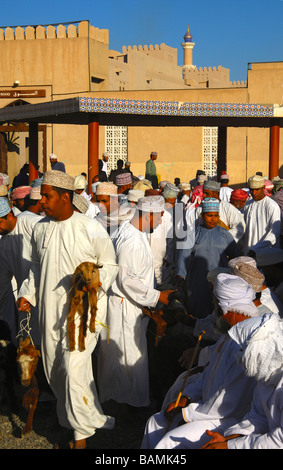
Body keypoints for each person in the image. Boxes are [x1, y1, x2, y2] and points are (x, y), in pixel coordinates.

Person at [17, 169, 119, 450]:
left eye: (47, 197)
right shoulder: (39, 228)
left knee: (74, 370)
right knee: (57, 372)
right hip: (49, 313)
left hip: (84, 314)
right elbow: (36, 269)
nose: (43, 202)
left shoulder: (91, 228)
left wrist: (95, 281)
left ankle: (80, 438)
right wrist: (27, 293)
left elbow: (110, 265)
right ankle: (85, 418)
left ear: (65, 197)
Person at [141, 272, 261, 449]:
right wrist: (187, 397)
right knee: (155, 422)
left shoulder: (244, 345)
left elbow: (225, 405)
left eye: (215, 304)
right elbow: (209, 374)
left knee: (169, 442)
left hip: (226, 419)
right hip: (206, 410)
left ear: (223, 308)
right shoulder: (231, 334)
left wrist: (187, 414)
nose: (213, 310)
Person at [97, 196, 176, 412]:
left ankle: (120, 398)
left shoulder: (133, 232)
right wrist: (156, 297)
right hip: (125, 305)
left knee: (120, 353)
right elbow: (126, 280)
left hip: (130, 303)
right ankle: (126, 403)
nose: (160, 222)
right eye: (159, 217)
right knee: (127, 354)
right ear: (148, 215)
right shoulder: (131, 240)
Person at [201, 312, 283, 449]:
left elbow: (279, 442)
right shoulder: (265, 382)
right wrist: (227, 440)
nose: (239, 356)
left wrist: (229, 446)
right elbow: (258, 419)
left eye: (243, 350)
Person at [176, 198, 240, 319]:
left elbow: (235, 257)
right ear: (202, 216)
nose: (213, 219)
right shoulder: (192, 233)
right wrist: (180, 275)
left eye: (216, 216)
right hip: (197, 281)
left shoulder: (225, 234)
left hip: (220, 280)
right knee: (197, 311)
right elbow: (184, 255)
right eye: (209, 215)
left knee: (219, 312)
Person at [0, 197, 43, 345]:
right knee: (28, 346)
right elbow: (2, 282)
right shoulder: (3, 244)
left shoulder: (30, 222)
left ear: (10, 216)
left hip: (46, 292)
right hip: (24, 299)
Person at [243, 174, 281, 255]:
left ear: (263, 188)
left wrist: (258, 248)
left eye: (257, 190)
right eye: (251, 190)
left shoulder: (272, 206)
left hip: (265, 252)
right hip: (249, 251)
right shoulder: (247, 205)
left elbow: (275, 232)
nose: (254, 193)